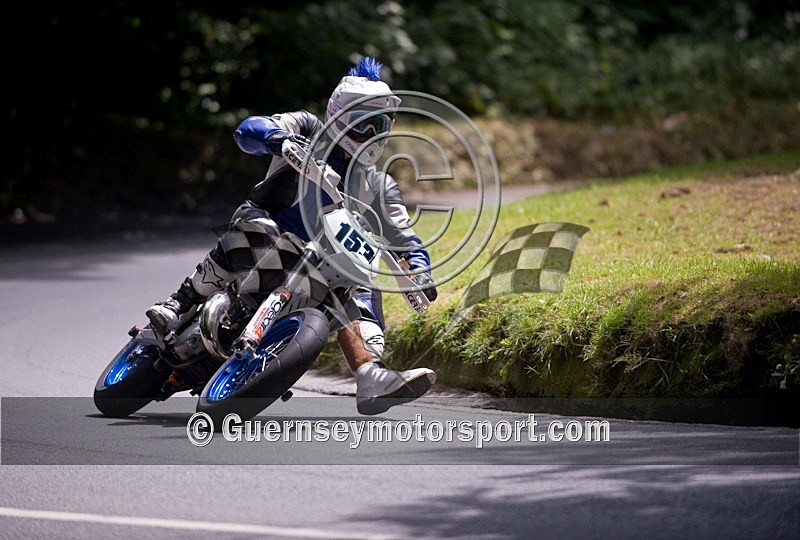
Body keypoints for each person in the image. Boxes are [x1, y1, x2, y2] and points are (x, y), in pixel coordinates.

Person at [146, 57, 438, 415]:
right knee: (258, 228)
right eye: (365, 124)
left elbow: (403, 235)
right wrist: (278, 140)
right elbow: (248, 130)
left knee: (360, 280)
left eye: (381, 126)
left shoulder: (379, 185)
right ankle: (178, 304)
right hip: (267, 232)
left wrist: (419, 271)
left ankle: (369, 375)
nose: (373, 135)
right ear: (340, 116)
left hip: (318, 262)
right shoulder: (307, 128)